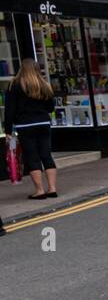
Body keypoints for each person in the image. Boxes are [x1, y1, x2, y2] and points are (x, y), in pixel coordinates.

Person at [4, 59, 57, 200]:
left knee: (33, 157)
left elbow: (9, 110)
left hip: (25, 125)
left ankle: (39, 191)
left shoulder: (14, 85)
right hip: (44, 123)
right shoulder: (44, 84)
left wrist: (7, 130)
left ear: (21, 69)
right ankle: (52, 189)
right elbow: (51, 107)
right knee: (46, 155)